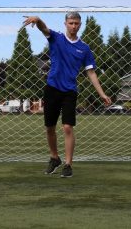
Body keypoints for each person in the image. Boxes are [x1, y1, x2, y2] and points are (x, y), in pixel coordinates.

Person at [22, 12, 111, 178]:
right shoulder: (57, 38)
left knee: (68, 127)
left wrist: (102, 94)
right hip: (52, 88)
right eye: (71, 23)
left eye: (76, 23)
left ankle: (68, 164)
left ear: (80, 25)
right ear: (65, 23)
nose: (74, 26)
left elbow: (91, 72)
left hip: (70, 91)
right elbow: (44, 29)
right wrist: (38, 19)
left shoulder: (84, 48)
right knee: (49, 128)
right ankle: (54, 158)